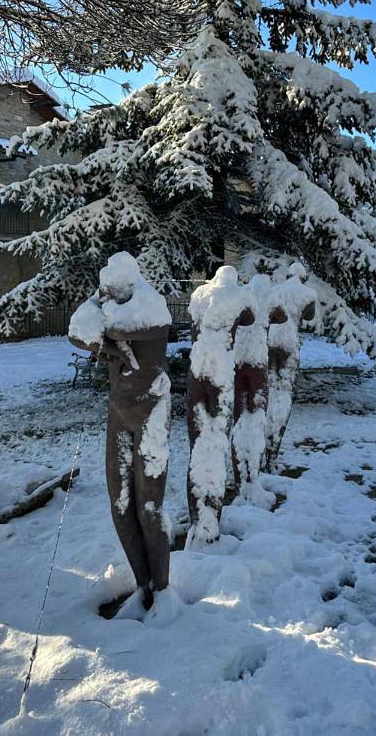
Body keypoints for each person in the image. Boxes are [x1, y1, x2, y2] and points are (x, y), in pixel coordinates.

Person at [69, 252, 174, 619]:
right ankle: (142, 582)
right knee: (119, 503)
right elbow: (76, 329)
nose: (108, 298)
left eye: (114, 292)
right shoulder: (110, 305)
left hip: (151, 413)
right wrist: (100, 317)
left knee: (148, 508)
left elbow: (133, 329)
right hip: (119, 412)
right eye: (104, 293)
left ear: (129, 285)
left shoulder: (152, 305)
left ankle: (163, 591)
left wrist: (104, 334)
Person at [186, 266, 256, 545]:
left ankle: (197, 517)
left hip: (196, 371)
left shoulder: (198, 295)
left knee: (197, 444)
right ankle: (209, 520)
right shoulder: (239, 295)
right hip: (220, 372)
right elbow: (251, 317)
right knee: (215, 440)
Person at [231, 274, 287, 504]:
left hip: (237, 361)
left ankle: (238, 476)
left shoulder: (241, 297)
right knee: (256, 415)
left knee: (238, 417)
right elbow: (282, 317)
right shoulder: (271, 298)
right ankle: (251, 476)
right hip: (257, 362)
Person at [264, 262, 316, 472]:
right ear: (303, 277)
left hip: (270, 342)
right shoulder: (308, 294)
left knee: (267, 390)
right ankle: (273, 446)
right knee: (285, 391)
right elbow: (310, 317)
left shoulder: (275, 291)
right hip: (289, 343)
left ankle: (262, 437)